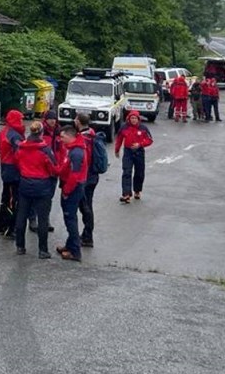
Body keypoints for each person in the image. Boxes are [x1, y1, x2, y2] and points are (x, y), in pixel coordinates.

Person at [14, 121, 58, 259]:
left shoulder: (21, 148)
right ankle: (42, 250)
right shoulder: (45, 150)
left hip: (25, 183)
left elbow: (17, 162)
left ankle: (20, 246)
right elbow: (53, 168)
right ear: (41, 133)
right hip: (42, 185)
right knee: (43, 218)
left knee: (22, 214)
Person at [55, 126, 88, 262]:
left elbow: (74, 175)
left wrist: (67, 191)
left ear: (70, 136)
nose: (61, 139)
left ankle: (75, 251)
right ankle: (70, 245)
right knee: (70, 217)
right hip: (74, 185)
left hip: (73, 188)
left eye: (63, 137)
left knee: (70, 219)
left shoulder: (76, 153)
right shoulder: (73, 149)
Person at [75, 113, 107, 248]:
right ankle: (87, 234)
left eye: (76, 119)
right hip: (93, 176)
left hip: (86, 178)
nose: (74, 121)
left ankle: (88, 236)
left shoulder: (84, 138)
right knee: (87, 205)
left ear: (79, 122)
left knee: (85, 207)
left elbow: (83, 160)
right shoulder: (92, 134)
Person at [114, 110, 153, 203]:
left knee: (139, 173)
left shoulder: (143, 128)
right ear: (129, 119)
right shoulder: (124, 127)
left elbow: (149, 140)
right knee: (126, 172)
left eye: (135, 118)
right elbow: (119, 139)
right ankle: (126, 194)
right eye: (132, 118)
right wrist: (117, 150)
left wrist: (140, 144)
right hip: (128, 152)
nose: (134, 120)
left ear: (138, 119)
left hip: (139, 152)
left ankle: (137, 191)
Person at [0, 109, 25, 237]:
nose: (22, 122)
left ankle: (3, 226)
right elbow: (20, 153)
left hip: (6, 168)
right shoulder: (15, 135)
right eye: (21, 119)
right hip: (13, 170)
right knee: (13, 200)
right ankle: (9, 228)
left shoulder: (4, 132)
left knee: (6, 198)